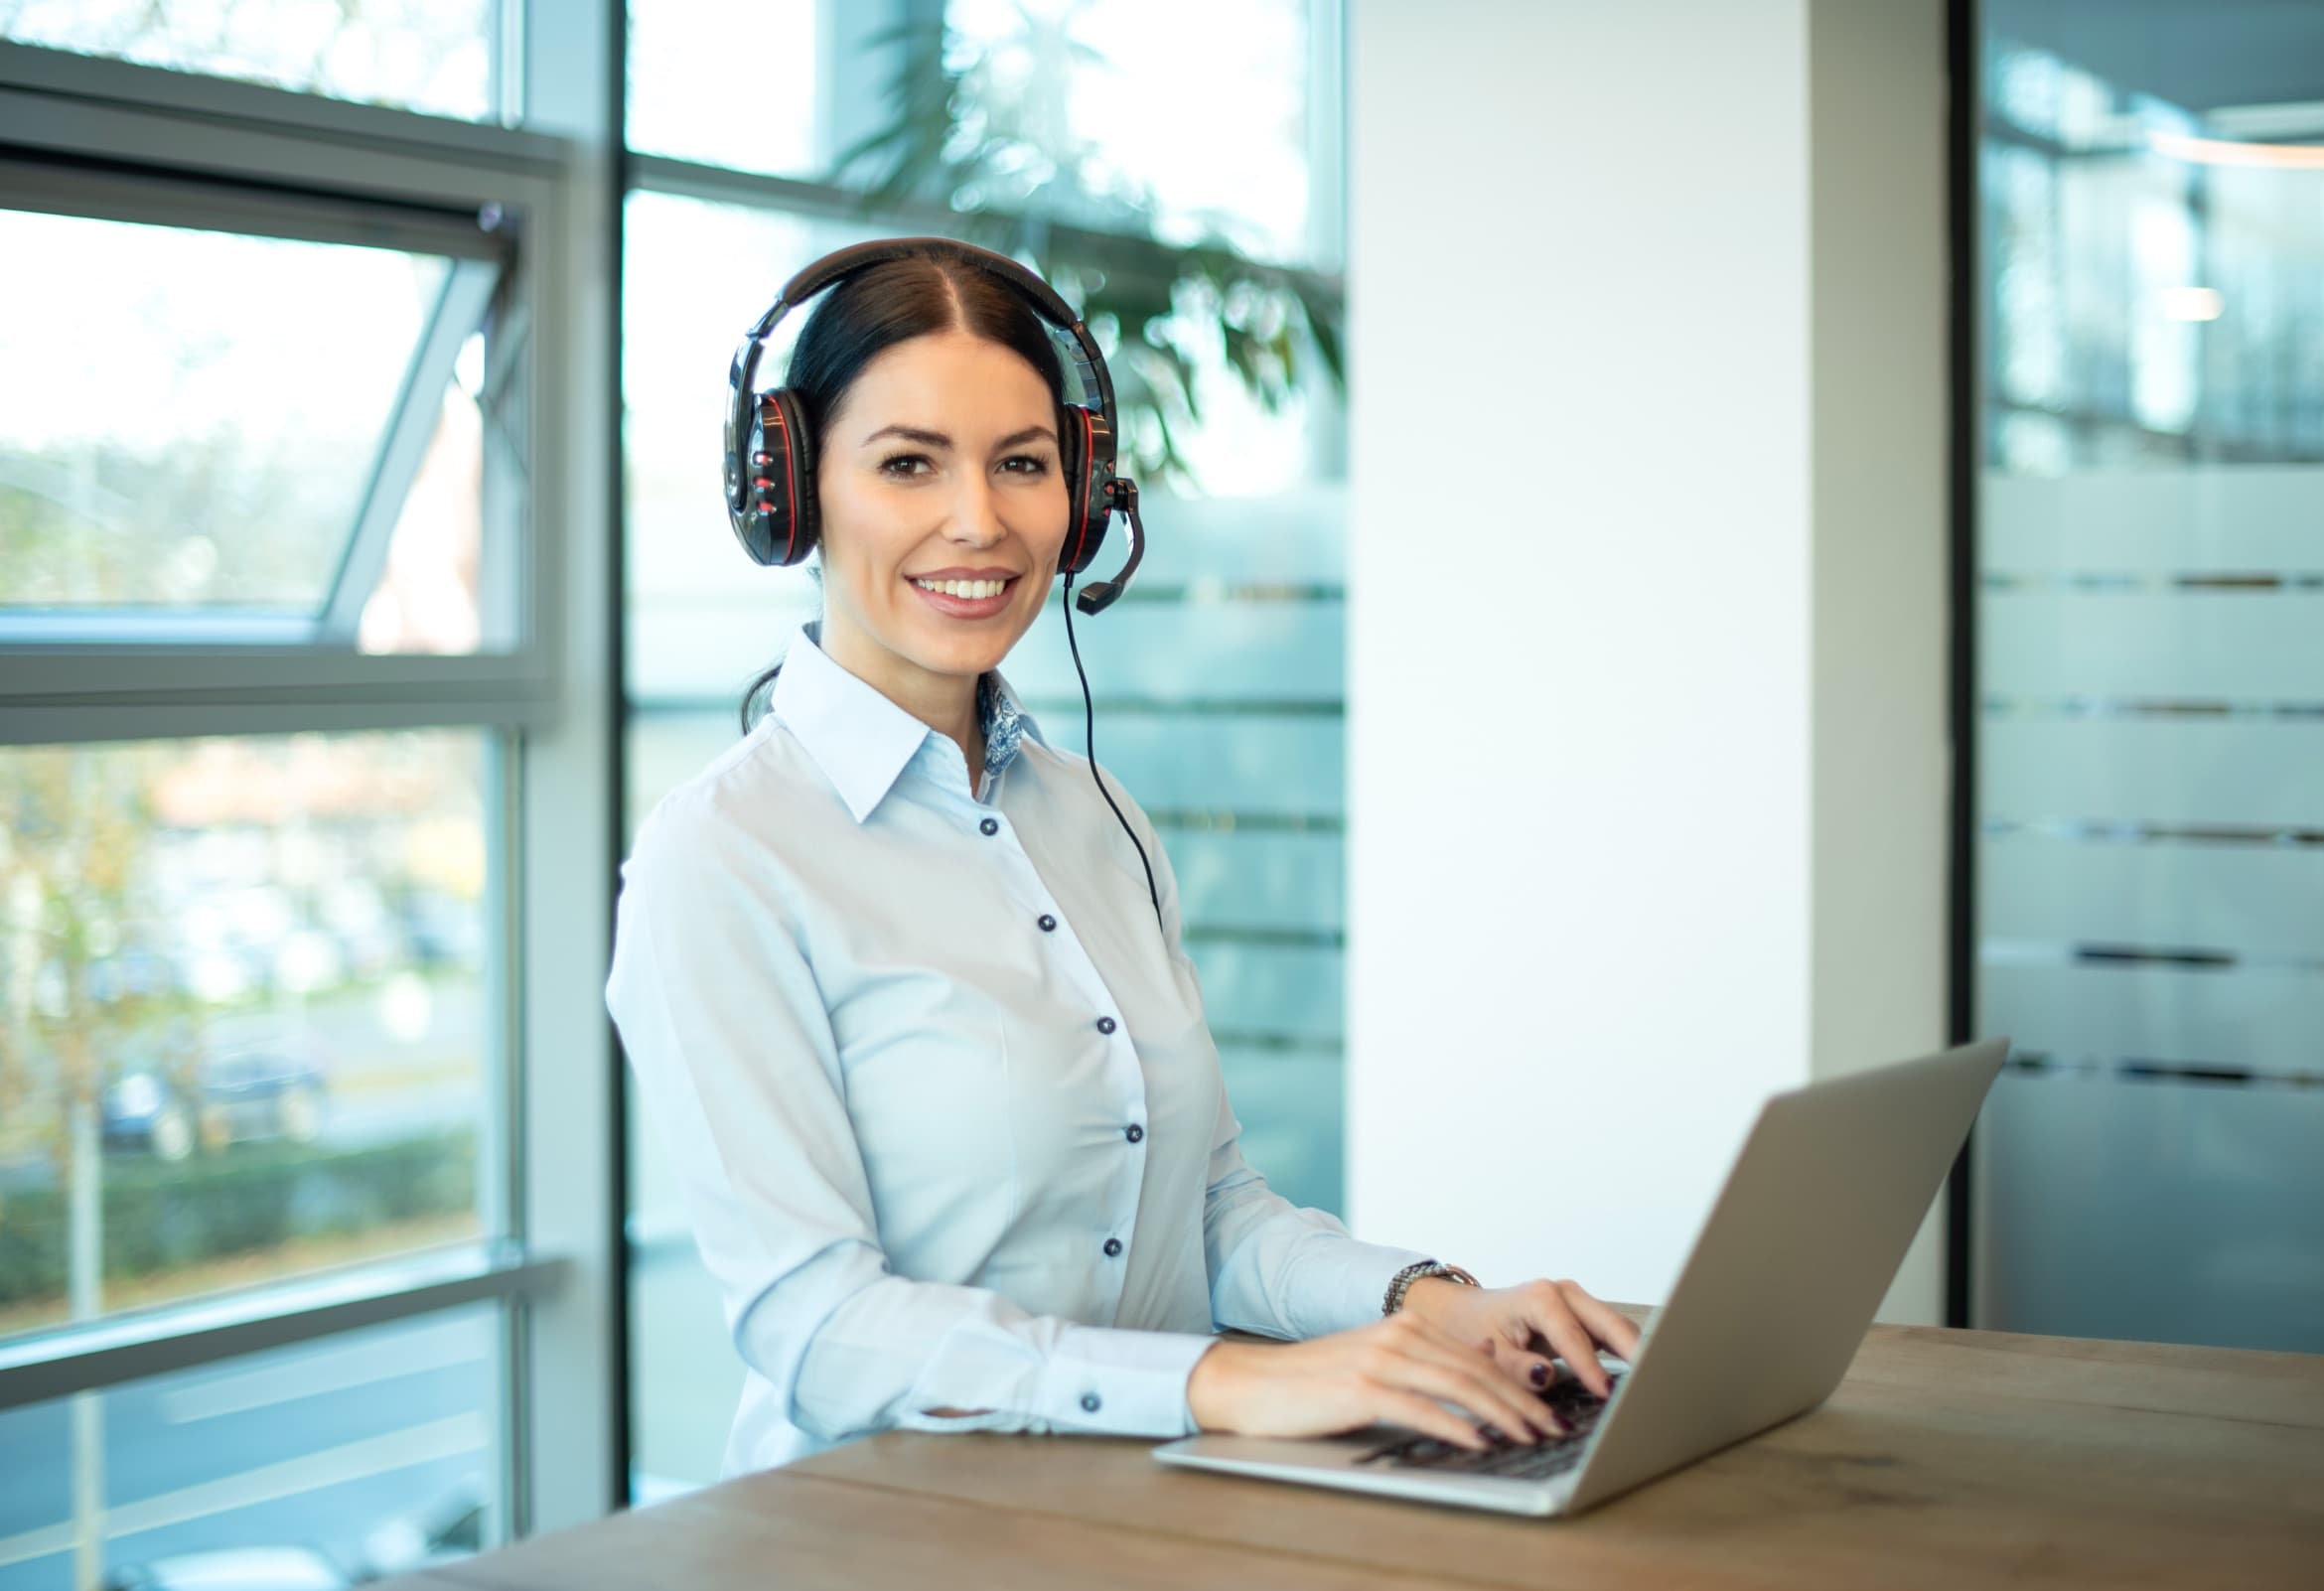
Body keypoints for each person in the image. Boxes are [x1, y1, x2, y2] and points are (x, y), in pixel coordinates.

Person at [605, 239, 1638, 1479]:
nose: (980, 520)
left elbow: (1209, 1212)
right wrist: (1221, 1382)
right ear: (788, 493)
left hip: (1149, 1508)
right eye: (908, 463)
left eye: (1022, 464)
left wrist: (1425, 1302)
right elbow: (818, 1332)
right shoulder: (724, 858)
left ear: (1085, 496)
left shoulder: (1094, 816)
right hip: (883, 1532)